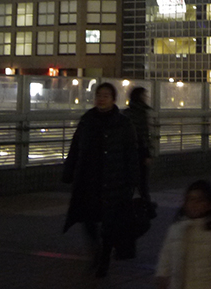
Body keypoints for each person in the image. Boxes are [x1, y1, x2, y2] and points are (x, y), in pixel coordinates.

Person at [62, 81, 140, 278]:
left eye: (106, 95)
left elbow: (131, 153)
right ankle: (97, 250)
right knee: (87, 219)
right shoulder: (87, 120)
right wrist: (69, 171)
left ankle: (103, 258)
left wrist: (132, 180)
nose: (101, 99)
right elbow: (76, 147)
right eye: (99, 95)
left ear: (113, 99)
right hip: (89, 179)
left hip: (114, 180)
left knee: (109, 224)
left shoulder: (123, 123)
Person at [155, 179, 211, 289]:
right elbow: (165, 256)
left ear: (210, 204)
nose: (193, 204)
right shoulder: (175, 229)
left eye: (199, 201)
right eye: (190, 200)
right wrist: (162, 275)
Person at [125, 85, 156, 213]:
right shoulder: (140, 113)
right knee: (142, 180)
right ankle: (145, 204)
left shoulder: (129, 112)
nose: (146, 97)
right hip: (139, 151)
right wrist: (147, 153)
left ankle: (137, 202)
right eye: (144, 95)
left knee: (133, 180)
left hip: (130, 151)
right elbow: (142, 134)